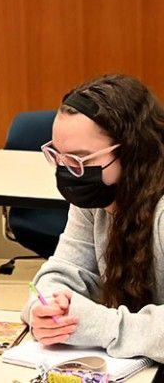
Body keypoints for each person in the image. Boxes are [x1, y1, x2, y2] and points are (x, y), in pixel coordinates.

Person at [23, 74, 164, 362]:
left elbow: (100, 325)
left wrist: (102, 325)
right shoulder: (98, 197)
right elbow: (62, 272)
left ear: (131, 151)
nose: (68, 172)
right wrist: (45, 309)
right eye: (59, 157)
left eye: (80, 160)